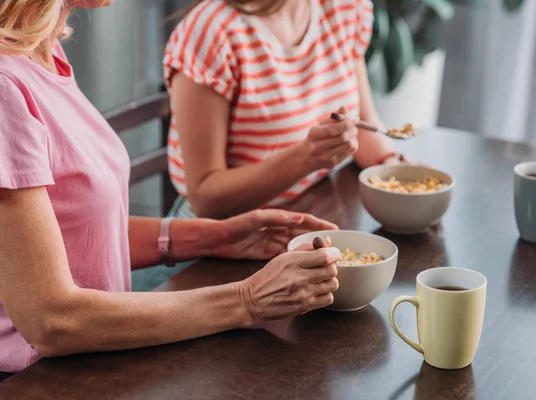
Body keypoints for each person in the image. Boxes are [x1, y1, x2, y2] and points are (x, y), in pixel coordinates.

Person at [0, 0, 342, 379]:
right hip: (35, 380)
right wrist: (247, 300)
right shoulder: (4, 87)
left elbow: (73, 233)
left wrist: (215, 238)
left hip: (98, 356)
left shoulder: (40, 50)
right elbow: (52, 322)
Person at [164, 0, 410, 219]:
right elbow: (205, 199)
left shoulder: (344, 7)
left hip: (308, 215)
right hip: (217, 242)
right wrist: (306, 158)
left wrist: (394, 168)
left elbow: (363, 125)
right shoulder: (210, 32)